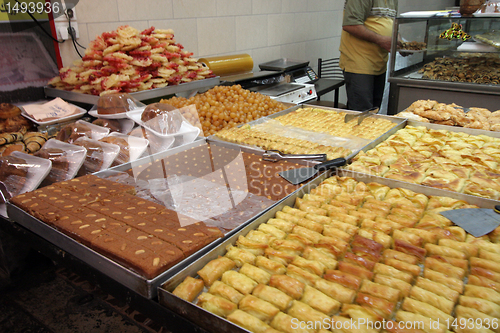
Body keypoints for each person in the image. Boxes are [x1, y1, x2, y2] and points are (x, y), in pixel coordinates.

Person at [339, 0, 398, 111]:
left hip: (379, 63)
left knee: (374, 111)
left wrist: (399, 42)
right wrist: (381, 40)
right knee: (362, 113)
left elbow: (391, 24)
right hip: (359, 63)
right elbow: (351, 25)